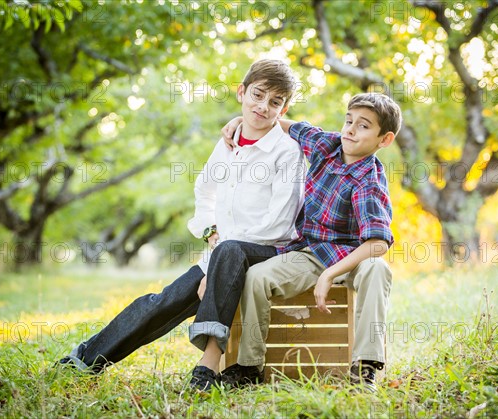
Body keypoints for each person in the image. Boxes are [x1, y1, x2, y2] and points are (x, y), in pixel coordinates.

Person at [57, 59, 305, 391]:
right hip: (223, 250)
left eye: (275, 102)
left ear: (284, 108)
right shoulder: (228, 142)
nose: (263, 106)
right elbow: (205, 191)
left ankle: (207, 366)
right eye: (257, 95)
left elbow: (279, 223)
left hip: (267, 254)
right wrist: (210, 234)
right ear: (241, 92)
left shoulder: (287, 152)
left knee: (229, 254)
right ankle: (84, 358)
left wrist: (220, 261)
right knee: (161, 302)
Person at [219, 92, 402, 391]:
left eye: (364, 126)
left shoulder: (369, 178)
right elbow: (282, 123)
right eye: (349, 120)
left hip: (349, 257)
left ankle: (365, 367)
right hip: (308, 251)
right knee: (256, 276)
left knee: (378, 269)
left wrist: (331, 273)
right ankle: (250, 366)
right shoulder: (326, 144)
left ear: (384, 139)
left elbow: (378, 243)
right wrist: (241, 121)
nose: (351, 130)